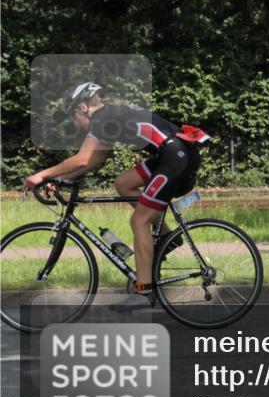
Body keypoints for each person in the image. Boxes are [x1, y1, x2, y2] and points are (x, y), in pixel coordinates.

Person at [23, 82, 209, 308]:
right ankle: (167, 237)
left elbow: (82, 159)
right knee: (123, 183)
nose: (75, 123)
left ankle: (144, 292)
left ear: (83, 107)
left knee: (139, 221)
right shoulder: (109, 117)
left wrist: (41, 175)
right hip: (173, 154)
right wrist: (61, 179)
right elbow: (93, 161)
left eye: (73, 116)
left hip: (175, 158)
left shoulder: (102, 119)